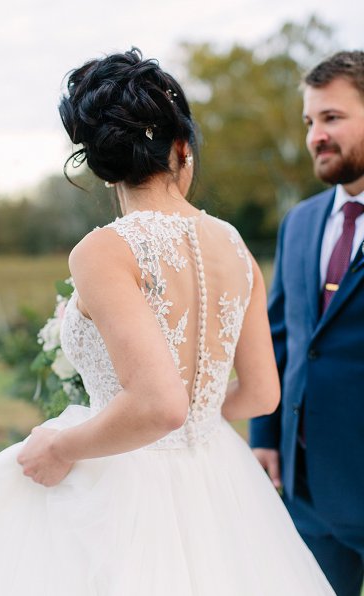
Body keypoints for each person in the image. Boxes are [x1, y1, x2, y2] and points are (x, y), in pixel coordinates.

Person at [0, 49, 333, 595]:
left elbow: (160, 405)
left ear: (100, 163)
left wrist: (63, 447)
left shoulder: (105, 251)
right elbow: (262, 395)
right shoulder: (236, 248)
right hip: (220, 482)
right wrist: (201, 416)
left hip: (120, 489)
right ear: (181, 149)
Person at [250, 50, 364, 596]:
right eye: (310, 122)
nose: (316, 135)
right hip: (306, 486)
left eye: (333, 118)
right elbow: (282, 337)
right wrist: (266, 433)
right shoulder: (299, 224)